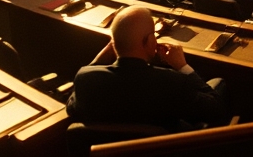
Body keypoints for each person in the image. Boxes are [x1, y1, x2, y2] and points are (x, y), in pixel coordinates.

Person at [66, 7, 227, 130]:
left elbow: (72, 107)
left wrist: (115, 45)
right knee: (218, 83)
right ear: (148, 41)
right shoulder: (171, 82)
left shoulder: (86, 79)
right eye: (153, 35)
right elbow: (215, 110)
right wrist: (183, 66)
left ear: (112, 43)